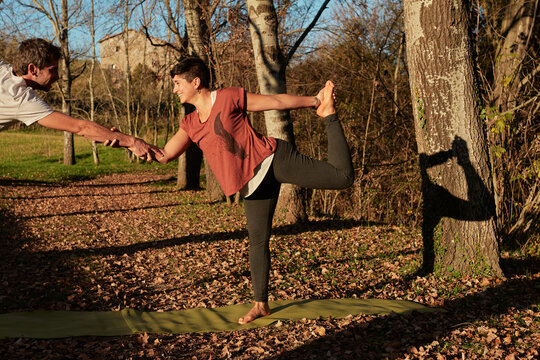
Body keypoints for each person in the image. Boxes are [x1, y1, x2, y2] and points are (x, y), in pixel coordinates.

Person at [157, 57, 354, 324]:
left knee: (342, 178)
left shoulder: (227, 98)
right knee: (257, 242)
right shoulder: (190, 124)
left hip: (273, 160)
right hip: (251, 183)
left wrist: (315, 101)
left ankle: (329, 114)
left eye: (178, 83)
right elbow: (165, 154)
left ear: (196, 82)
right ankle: (260, 304)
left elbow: (274, 102)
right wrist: (127, 142)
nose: (175, 89)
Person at [0, 38, 163, 160]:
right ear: (32, 69)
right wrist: (132, 142)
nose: (57, 76)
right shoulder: (20, 99)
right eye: (53, 70)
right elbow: (81, 128)